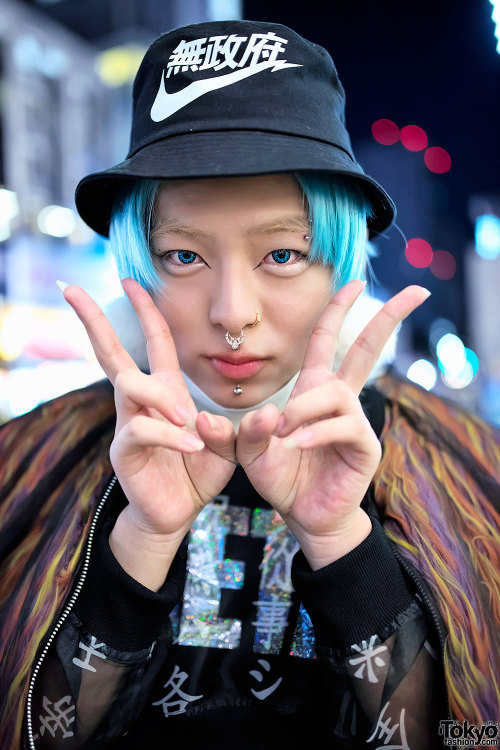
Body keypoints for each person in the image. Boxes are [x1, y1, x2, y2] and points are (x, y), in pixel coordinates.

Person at [0, 19, 499, 750]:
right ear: (135, 266)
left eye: (284, 253)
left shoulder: (469, 463)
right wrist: (140, 539)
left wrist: (343, 543)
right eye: (182, 257)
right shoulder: (25, 460)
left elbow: (469, 736)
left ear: (345, 263)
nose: (233, 313)